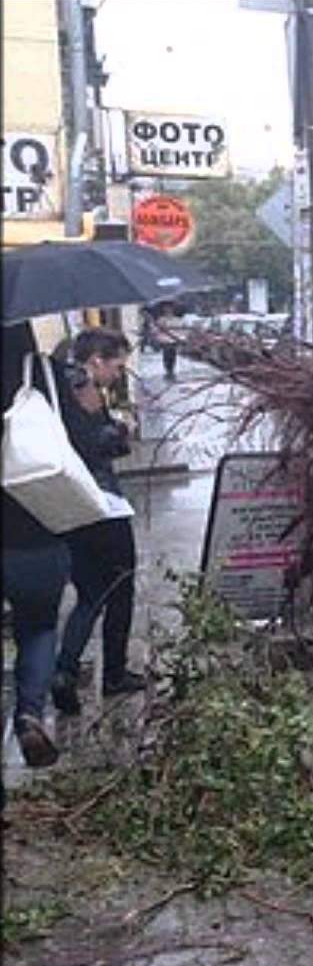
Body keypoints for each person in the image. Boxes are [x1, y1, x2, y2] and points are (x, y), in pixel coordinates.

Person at [48, 328, 146, 716]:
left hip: (70, 506)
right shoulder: (83, 385)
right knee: (121, 585)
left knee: (90, 593)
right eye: (118, 365)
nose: (120, 373)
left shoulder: (55, 384)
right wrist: (123, 429)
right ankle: (115, 675)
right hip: (102, 505)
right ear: (97, 360)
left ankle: (64, 671)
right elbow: (94, 443)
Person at [2, 322, 72, 769]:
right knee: (39, 628)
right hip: (34, 531)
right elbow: (78, 442)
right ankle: (28, 715)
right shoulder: (42, 375)